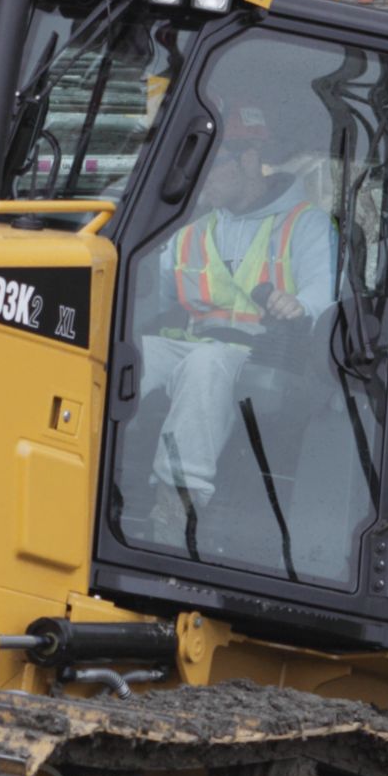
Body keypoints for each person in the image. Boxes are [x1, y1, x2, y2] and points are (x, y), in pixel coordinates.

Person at [131, 112, 339, 552]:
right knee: (129, 352)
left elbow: (322, 302)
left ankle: (177, 505)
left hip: (262, 353)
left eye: (212, 162)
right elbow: (152, 295)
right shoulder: (196, 229)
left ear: (249, 160)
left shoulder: (306, 224)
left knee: (206, 366)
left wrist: (298, 305)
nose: (198, 176)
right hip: (192, 343)